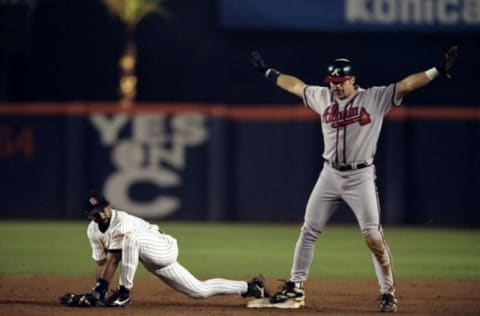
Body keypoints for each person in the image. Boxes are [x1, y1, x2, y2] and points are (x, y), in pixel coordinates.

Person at [248, 47, 458, 312]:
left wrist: (436, 71)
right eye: (332, 82)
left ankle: (387, 292)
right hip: (330, 174)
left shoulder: (374, 98)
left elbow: (406, 85)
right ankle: (295, 287)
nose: (335, 87)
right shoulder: (322, 97)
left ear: (352, 80)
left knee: (373, 237)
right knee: (308, 230)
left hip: (361, 177)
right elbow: (296, 86)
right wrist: (268, 72)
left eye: (340, 82)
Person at [60, 191, 269, 307]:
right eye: (96, 212)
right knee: (198, 291)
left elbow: (114, 259)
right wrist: (95, 291)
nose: (102, 214)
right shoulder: (92, 231)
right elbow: (102, 262)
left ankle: (124, 292)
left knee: (129, 241)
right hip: (152, 259)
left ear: (109, 205)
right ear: (90, 216)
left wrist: (99, 291)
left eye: (103, 208)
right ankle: (250, 287)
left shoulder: (121, 221)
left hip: (163, 246)